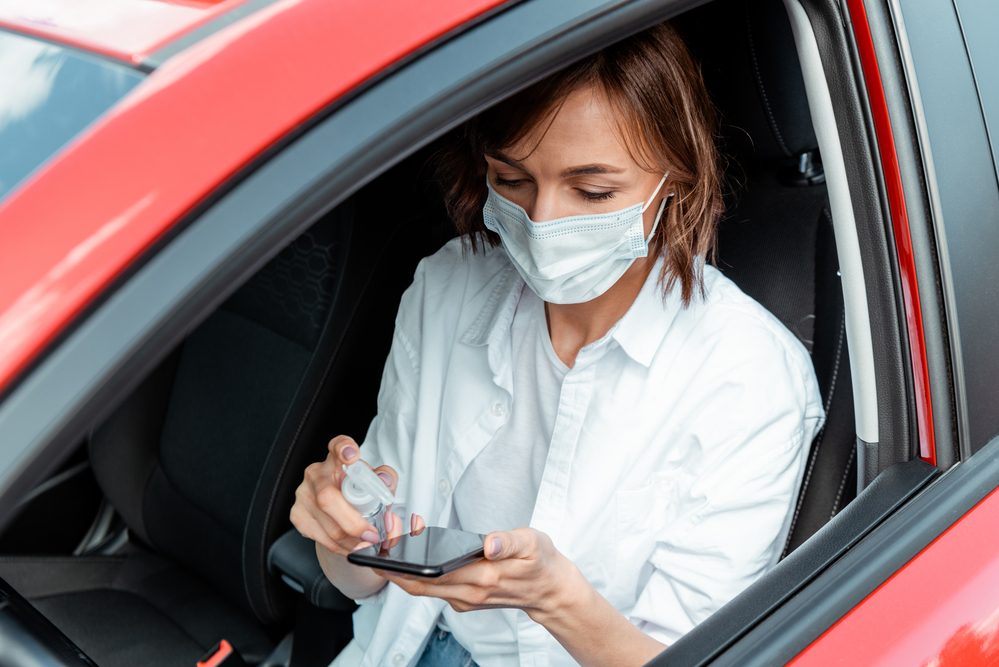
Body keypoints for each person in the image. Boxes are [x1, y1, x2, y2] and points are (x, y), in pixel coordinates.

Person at [290, 21, 824, 667]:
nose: (542, 222)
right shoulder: (448, 284)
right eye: (512, 182)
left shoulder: (747, 374)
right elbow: (362, 577)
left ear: (675, 180)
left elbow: (688, 656)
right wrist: (337, 527)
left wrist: (555, 597)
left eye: (592, 191)